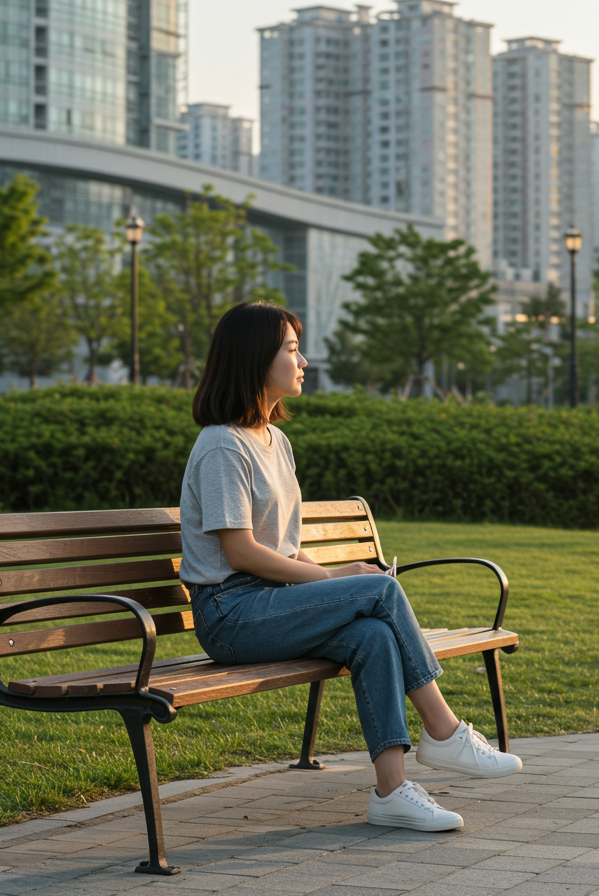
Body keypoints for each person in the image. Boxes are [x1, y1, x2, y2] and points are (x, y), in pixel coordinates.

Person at [179, 301, 521, 832]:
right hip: (231, 615)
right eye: (292, 349)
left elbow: (285, 547)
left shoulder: (275, 441)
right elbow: (241, 553)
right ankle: (444, 731)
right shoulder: (223, 445)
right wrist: (338, 580)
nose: (304, 361)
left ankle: (391, 791)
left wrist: (339, 577)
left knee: (371, 635)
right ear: (254, 359)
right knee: (378, 593)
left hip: (269, 603)